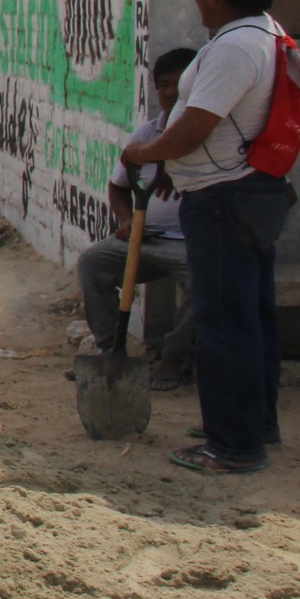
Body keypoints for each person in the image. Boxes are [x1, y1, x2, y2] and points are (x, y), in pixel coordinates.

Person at [122, 0, 293, 475]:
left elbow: (195, 127)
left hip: (224, 198)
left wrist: (145, 152)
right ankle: (253, 422)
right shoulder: (263, 35)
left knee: (224, 321)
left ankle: (233, 444)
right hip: (246, 191)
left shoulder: (235, 47)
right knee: (252, 315)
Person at [77, 48, 199, 388]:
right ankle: (111, 352)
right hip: (147, 237)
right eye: (164, 85)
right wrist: (126, 219)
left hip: (191, 243)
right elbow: (118, 187)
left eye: (179, 83)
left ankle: (173, 359)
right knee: (92, 263)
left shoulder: (212, 133)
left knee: (203, 283)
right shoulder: (145, 135)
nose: (171, 92)